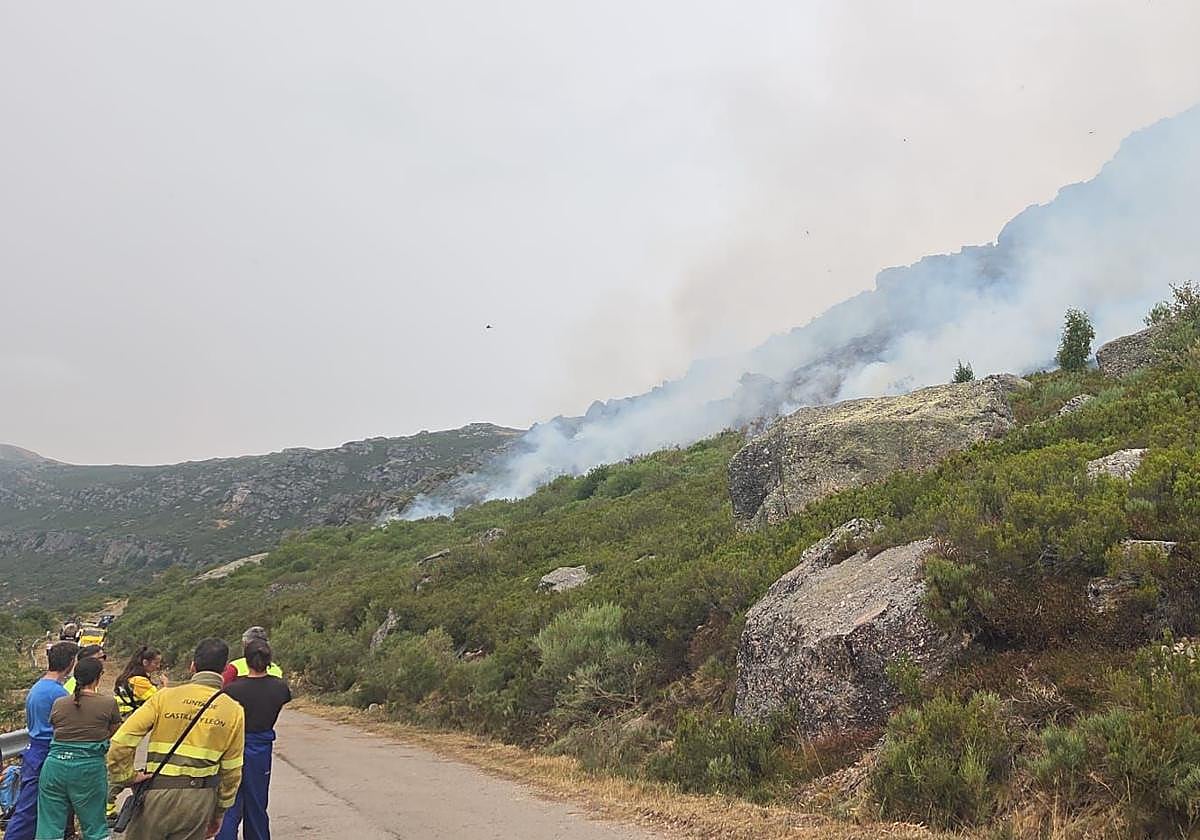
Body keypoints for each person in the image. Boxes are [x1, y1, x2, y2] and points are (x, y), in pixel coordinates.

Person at [107, 638, 245, 840]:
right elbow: (232, 771)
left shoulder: (164, 697)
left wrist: (126, 777)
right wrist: (219, 811)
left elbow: (120, 743)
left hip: (156, 795)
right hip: (198, 801)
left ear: (192, 665)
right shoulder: (234, 711)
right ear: (225, 668)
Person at [35, 658, 120, 840]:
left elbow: (57, 729)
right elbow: (112, 731)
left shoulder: (59, 703)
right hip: (88, 769)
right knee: (94, 828)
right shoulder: (108, 703)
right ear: (98, 677)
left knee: (49, 829)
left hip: (54, 767)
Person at [3, 641, 78, 840]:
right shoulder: (58, 693)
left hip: (34, 749)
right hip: (46, 751)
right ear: (71, 662)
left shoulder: (39, 687)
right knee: (30, 809)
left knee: (33, 807)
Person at [216, 641, 290, 840]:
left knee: (229, 802)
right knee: (257, 803)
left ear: (245, 660)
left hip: (233, 746)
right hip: (261, 748)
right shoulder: (280, 688)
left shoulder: (232, 691)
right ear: (269, 661)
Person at [113, 646, 168, 719]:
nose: (158, 666)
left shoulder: (129, 677)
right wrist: (165, 685)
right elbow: (159, 701)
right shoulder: (139, 681)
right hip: (129, 719)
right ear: (145, 662)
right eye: (156, 663)